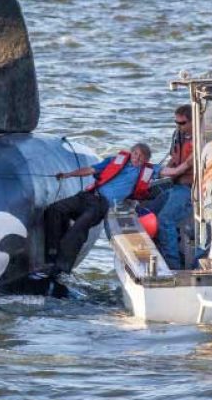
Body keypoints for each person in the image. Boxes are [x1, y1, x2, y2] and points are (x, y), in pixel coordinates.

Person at [43, 143, 156, 277]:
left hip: (102, 205)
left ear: (146, 161)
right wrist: (68, 175)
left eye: (141, 157)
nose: (137, 158)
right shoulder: (113, 161)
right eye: (136, 154)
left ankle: (61, 268)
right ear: (131, 152)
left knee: (78, 228)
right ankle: (52, 251)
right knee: (55, 210)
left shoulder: (146, 171)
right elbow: (90, 170)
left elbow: (168, 171)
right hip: (88, 196)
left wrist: (184, 165)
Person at [146, 104, 194, 269]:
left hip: (190, 189)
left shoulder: (201, 141)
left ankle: (173, 266)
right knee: (147, 212)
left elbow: (181, 169)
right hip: (175, 186)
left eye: (182, 123)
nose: (178, 126)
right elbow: (173, 162)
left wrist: (157, 172)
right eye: (176, 122)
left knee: (165, 219)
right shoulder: (179, 137)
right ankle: (157, 252)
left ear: (194, 121)